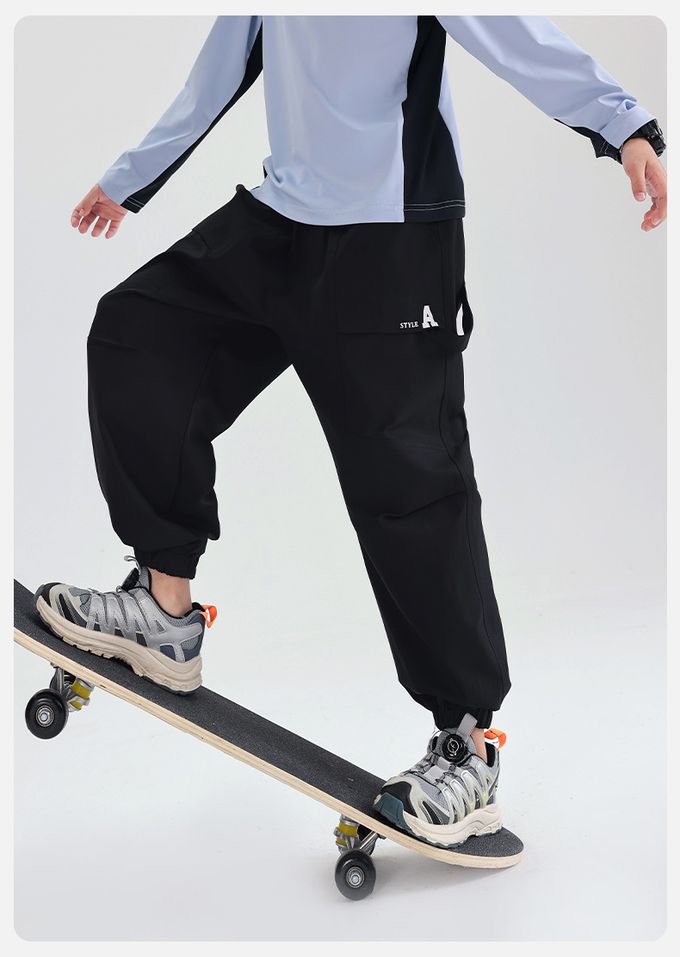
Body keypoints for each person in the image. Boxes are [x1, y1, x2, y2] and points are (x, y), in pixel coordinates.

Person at [36, 16, 666, 848]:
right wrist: (131, 177)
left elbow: (513, 32)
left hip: (392, 240)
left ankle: (469, 746)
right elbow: (219, 71)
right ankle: (163, 610)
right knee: (138, 335)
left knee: (411, 487)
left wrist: (624, 125)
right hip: (279, 224)